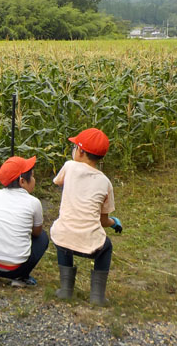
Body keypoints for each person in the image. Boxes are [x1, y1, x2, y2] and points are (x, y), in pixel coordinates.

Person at [50, 128, 123, 306]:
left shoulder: (68, 166)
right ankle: (97, 296)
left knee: (63, 230)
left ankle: (66, 290)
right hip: (91, 245)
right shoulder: (105, 182)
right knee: (106, 247)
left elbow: (58, 182)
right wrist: (114, 224)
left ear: (80, 151)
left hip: (64, 239)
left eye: (74, 146)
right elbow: (102, 221)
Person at [0, 156, 49, 287]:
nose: (34, 180)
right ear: (22, 181)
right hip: (18, 268)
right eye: (33, 177)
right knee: (43, 237)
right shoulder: (34, 202)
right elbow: (36, 232)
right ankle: (20, 278)